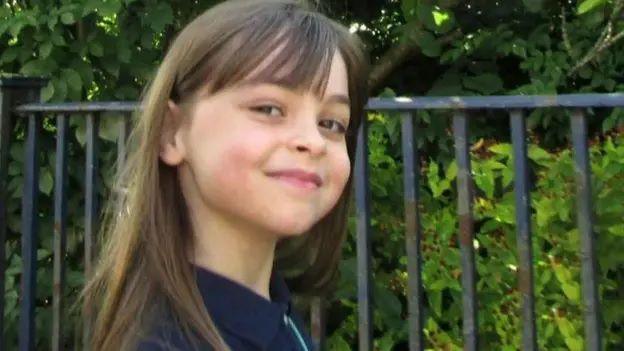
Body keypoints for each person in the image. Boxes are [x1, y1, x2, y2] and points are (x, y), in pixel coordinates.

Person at [83, 0, 369, 350]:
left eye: (331, 123)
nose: (313, 141)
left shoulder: (275, 315)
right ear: (172, 133)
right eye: (269, 109)